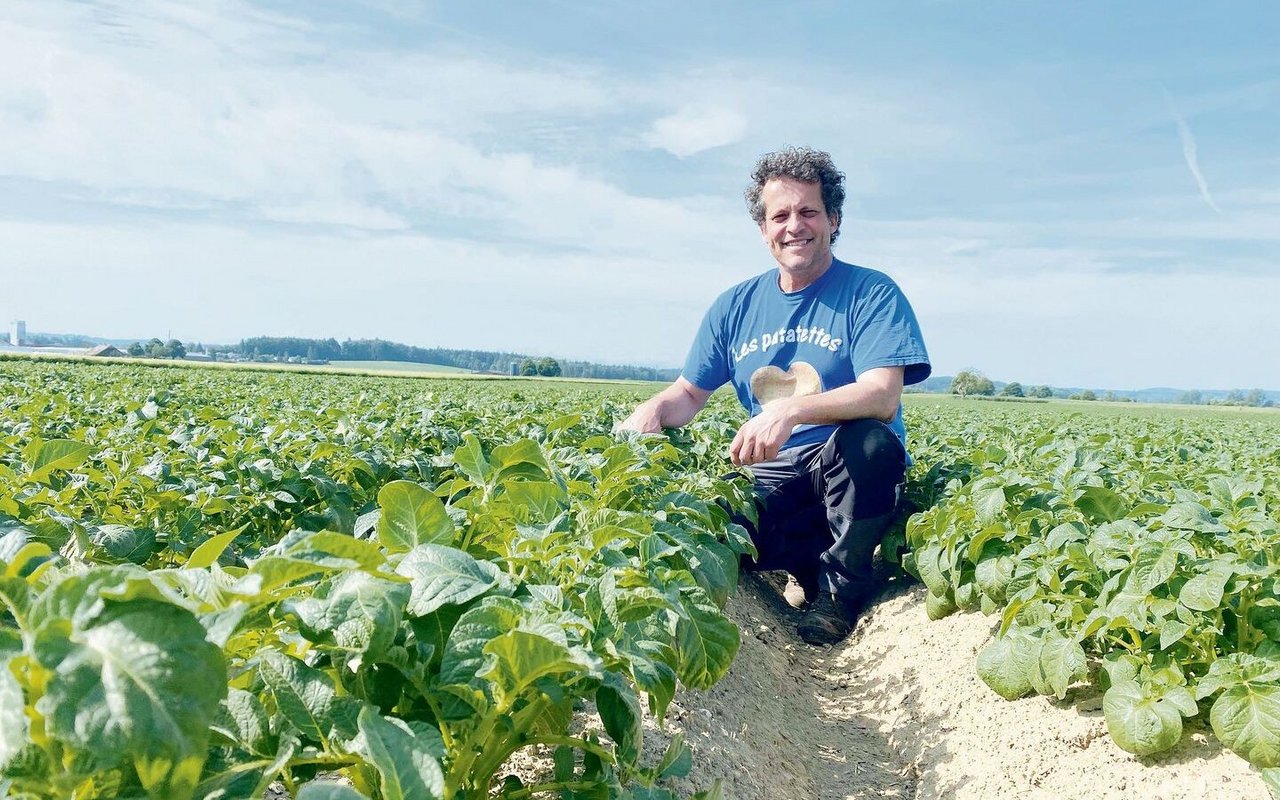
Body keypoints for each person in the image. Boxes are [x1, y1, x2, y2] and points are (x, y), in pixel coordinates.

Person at [615, 146, 930, 645]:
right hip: (775, 476)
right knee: (711, 523)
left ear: (834, 219)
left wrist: (790, 409)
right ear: (764, 229)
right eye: (779, 215)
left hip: (843, 471)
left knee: (872, 445)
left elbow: (882, 394)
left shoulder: (871, 293)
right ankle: (802, 566)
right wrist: (653, 409)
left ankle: (840, 593)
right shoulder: (734, 306)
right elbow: (687, 394)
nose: (794, 226)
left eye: (808, 211)